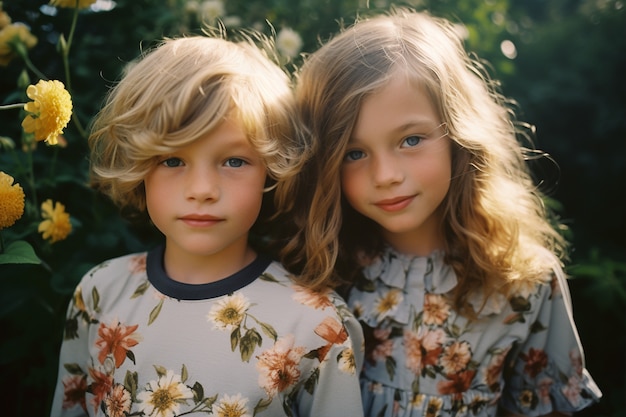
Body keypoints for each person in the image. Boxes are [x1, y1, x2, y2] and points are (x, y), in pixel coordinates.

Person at [277, 8, 602, 417]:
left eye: (411, 140)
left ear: (459, 136)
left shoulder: (524, 281)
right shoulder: (315, 268)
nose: (386, 175)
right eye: (353, 153)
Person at [49, 32, 364, 417]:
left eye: (233, 161)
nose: (201, 190)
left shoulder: (317, 323)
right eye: (172, 160)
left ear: (271, 168)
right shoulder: (98, 292)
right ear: (138, 165)